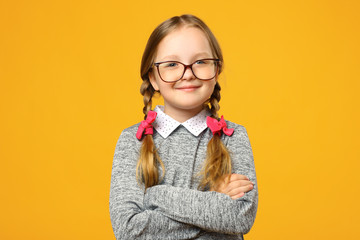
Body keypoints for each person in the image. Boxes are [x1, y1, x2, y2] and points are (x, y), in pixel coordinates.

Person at [109, 14, 258, 240]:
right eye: (171, 64)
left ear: (216, 70)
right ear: (153, 78)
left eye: (200, 62)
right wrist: (213, 201)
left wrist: (155, 196)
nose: (188, 73)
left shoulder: (232, 136)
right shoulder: (133, 141)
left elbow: (239, 217)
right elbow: (129, 230)